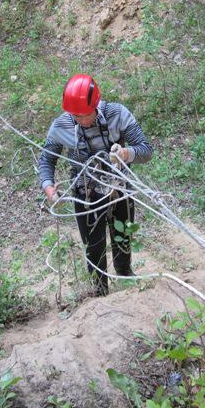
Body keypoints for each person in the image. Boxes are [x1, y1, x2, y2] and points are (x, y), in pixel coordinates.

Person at [38, 74, 153, 296]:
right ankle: (100, 293)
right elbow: (47, 159)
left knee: (123, 236)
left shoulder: (116, 114)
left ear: (95, 104)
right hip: (86, 192)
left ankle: (125, 276)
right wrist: (49, 187)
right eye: (76, 115)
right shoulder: (62, 125)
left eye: (85, 114)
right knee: (94, 246)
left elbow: (146, 150)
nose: (81, 120)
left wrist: (126, 153)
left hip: (120, 187)